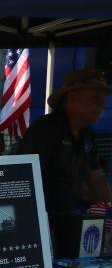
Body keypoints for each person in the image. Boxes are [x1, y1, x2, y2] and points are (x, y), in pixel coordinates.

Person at [15, 68, 111, 212]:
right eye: (95, 99)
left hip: (69, 218)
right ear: (72, 98)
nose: (101, 106)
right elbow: (23, 179)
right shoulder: (46, 130)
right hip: (42, 219)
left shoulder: (87, 134)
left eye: (103, 100)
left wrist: (108, 211)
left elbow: (96, 177)